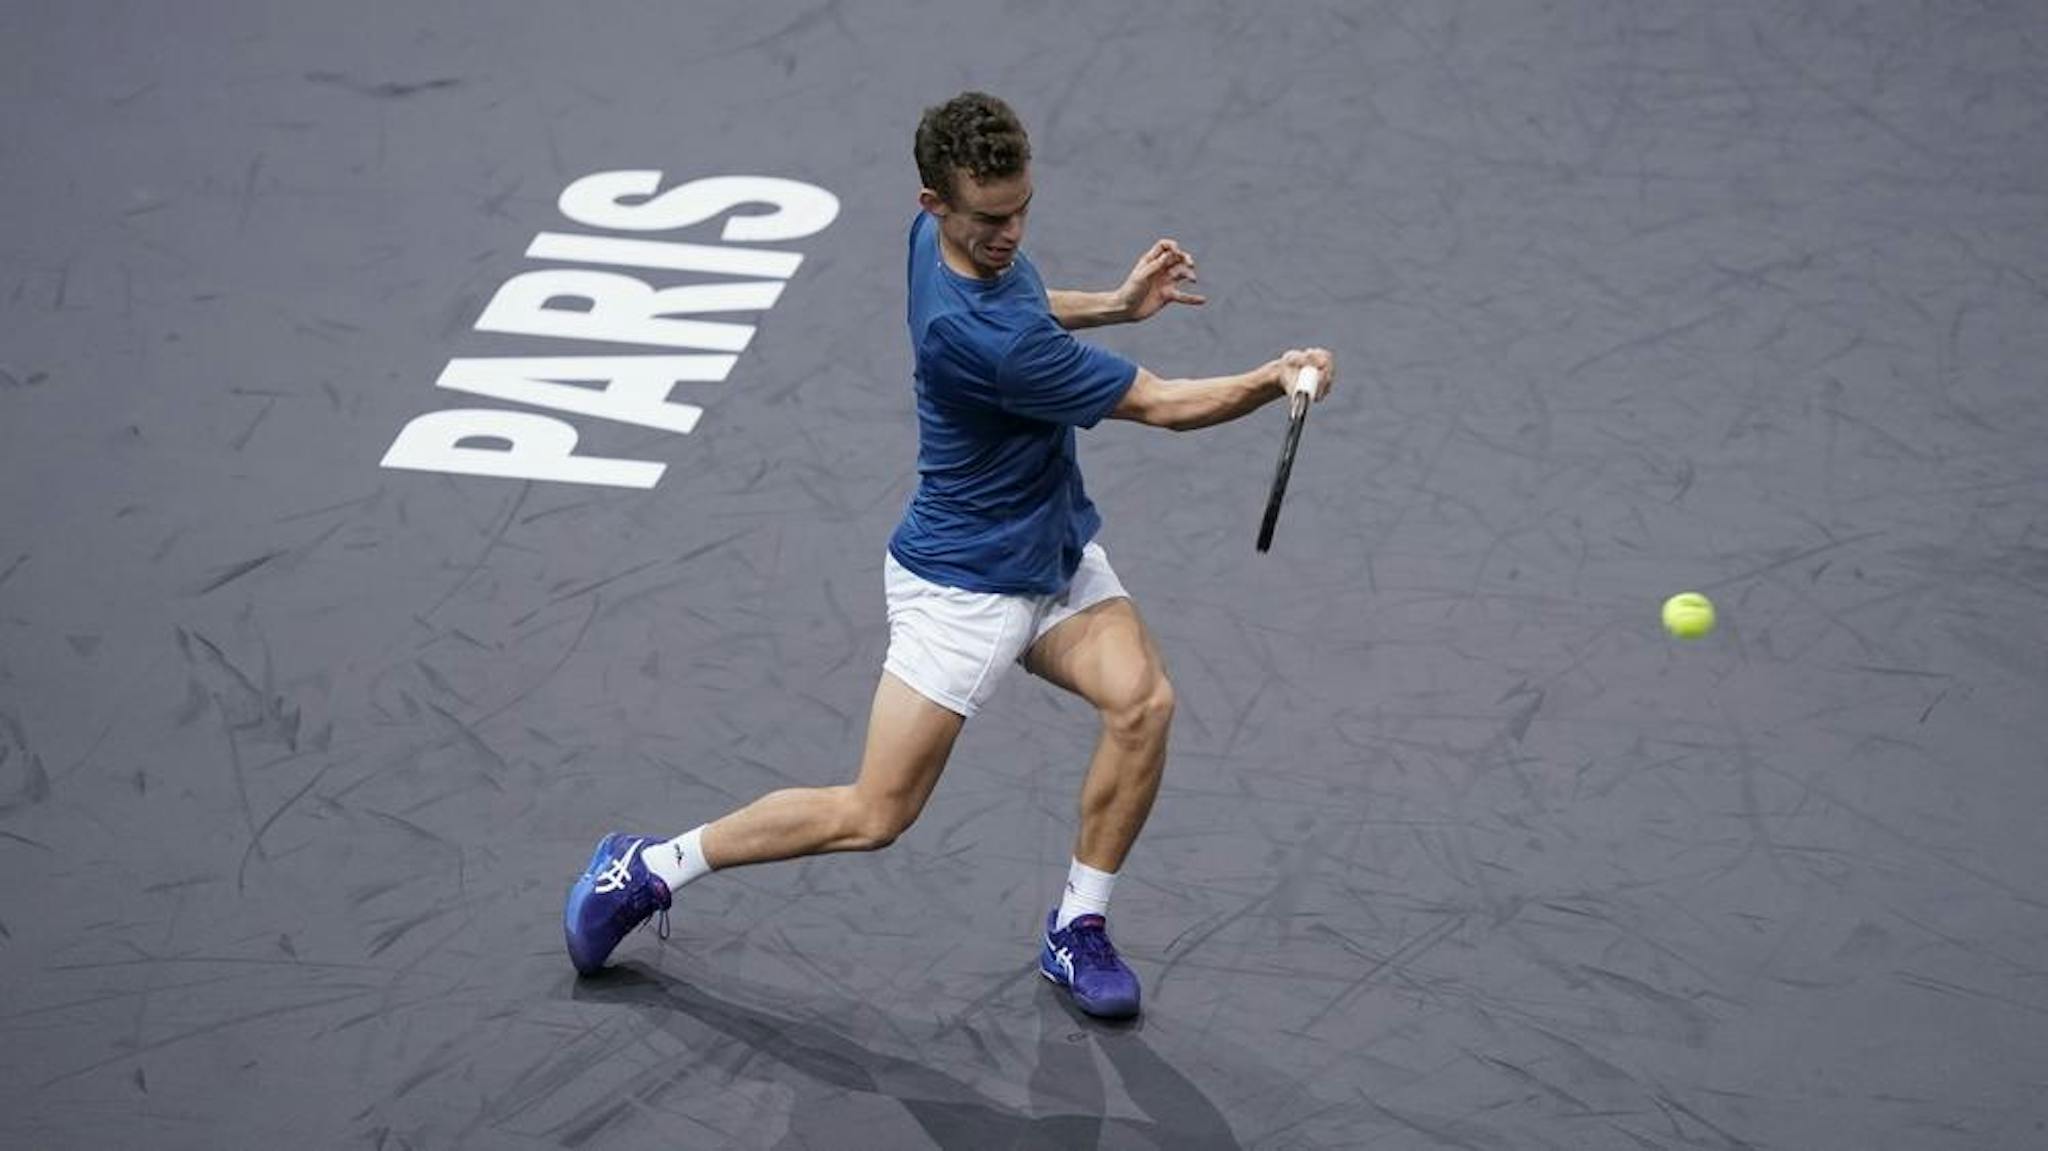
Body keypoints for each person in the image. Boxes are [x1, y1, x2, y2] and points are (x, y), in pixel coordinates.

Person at [565, 91, 1334, 1019]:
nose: (1011, 232)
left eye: (1022, 211)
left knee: (1143, 701)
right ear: (938, 202)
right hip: (961, 588)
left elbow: (1028, 299)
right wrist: (1272, 377)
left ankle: (1075, 927)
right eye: (991, 219)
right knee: (875, 813)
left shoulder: (935, 244)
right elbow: (1164, 404)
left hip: (1050, 553)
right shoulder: (992, 347)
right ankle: (645, 866)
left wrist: (1120, 307)